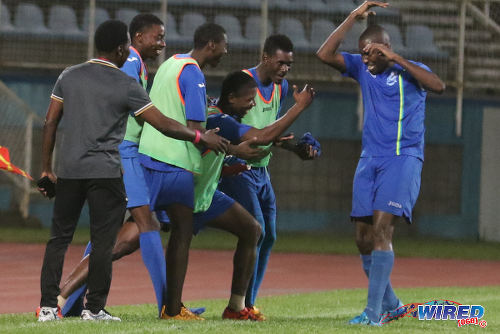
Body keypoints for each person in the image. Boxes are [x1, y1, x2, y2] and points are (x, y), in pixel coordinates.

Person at [36, 19, 227, 322]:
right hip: (113, 163)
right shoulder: (127, 77)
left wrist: (46, 168)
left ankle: (53, 305)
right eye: (158, 38)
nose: (162, 44)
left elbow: (50, 122)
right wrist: (199, 135)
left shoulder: (70, 75)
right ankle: (105, 307)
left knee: (66, 237)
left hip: (73, 167)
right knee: (117, 235)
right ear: (125, 46)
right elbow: (159, 121)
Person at [316, 1, 445, 326]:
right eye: (362, 53)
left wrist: (396, 59)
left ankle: (374, 315)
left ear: (385, 49)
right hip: (369, 161)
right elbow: (324, 54)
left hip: (402, 159)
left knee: (382, 230)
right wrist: (352, 17)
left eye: (372, 52)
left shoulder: (410, 70)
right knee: (362, 237)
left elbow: (439, 86)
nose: (366, 59)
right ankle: (391, 304)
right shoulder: (362, 69)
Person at [56, 13, 174, 318]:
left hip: (127, 153)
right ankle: (169, 308)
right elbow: (137, 113)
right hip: (124, 153)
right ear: (135, 39)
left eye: (164, 37)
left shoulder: (138, 65)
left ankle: (68, 303)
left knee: (120, 233)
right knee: (145, 225)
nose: (162, 43)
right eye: (157, 37)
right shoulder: (130, 63)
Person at [218, 34, 320, 320]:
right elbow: (228, 124)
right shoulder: (242, 81)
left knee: (270, 235)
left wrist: (296, 147)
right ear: (265, 58)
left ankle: (248, 303)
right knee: (256, 230)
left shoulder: (281, 87)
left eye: (289, 64)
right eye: (281, 62)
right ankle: (238, 306)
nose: (285, 69)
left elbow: (270, 135)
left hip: (262, 171)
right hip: (238, 167)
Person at [138, 22, 230, 320]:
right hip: (174, 164)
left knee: (131, 231)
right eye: (224, 46)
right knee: (179, 232)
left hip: (148, 156)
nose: (225, 52)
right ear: (212, 45)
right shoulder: (194, 73)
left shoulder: (170, 63)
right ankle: (172, 309)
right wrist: (218, 141)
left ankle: (69, 294)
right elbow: (195, 128)